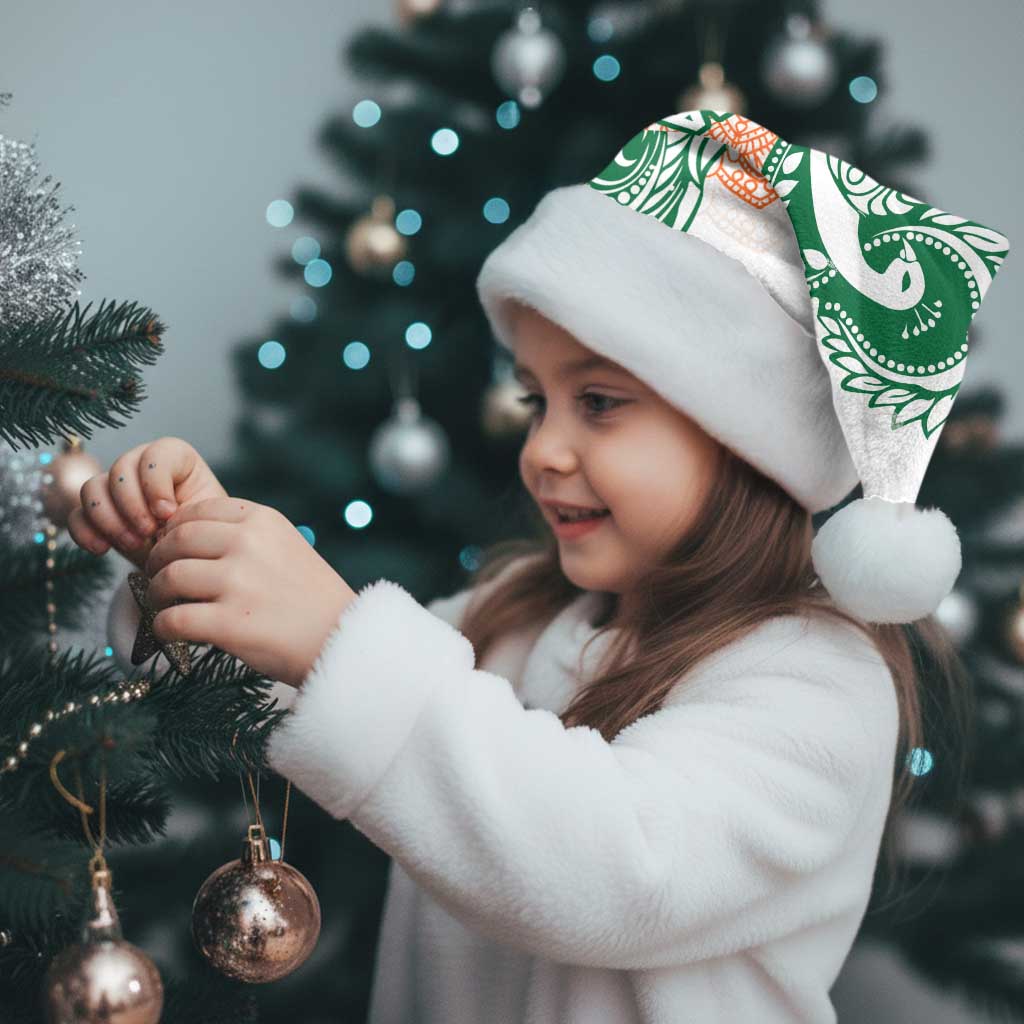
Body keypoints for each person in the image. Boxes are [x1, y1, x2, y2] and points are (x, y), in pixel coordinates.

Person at [73, 110, 1011, 1023]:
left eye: (598, 402)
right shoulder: (515, 616)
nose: (543, 450)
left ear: (747, 440)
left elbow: (616, 871)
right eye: (536, 401)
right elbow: (306, 691)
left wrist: (334, 636)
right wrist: (190, 566)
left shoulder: (818, 683)